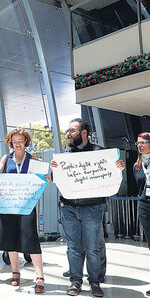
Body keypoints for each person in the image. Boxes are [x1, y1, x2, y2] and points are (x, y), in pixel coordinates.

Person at [51, 118, 124, 297]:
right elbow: (57, 179)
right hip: (68, 207)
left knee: (93, 248)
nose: (68, 134)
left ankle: (94, 282)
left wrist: (118, 168)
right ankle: (75, 281)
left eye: (72, 131)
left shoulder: (100, 153)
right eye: (68, 131)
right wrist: (54, 170)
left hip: (92, 207)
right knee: (73, 248)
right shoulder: (66, 154)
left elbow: (111, 177)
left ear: (83, 133)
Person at [0, 128, 46, 294]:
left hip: (26, 206)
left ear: (26, 142)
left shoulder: (33, 159)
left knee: (31, 238)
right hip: (9, 205)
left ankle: (40, 277)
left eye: (20, 141)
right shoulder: (5, 158)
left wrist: (46, 176)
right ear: (11, 142)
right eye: (14, 141)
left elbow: (42, 176)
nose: (17, 144)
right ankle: (15, 273)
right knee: (11, 237)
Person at [132, 132, 150, 297]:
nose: (140, 145)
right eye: (138, 143)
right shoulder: (136, 165)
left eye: (143, 142)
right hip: (145, 205)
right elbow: (138, 186)